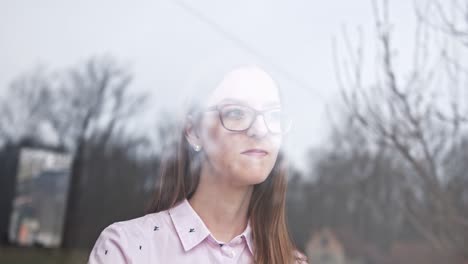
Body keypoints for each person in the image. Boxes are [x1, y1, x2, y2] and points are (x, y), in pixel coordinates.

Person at [87, 55, 307, 264]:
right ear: (193, 131)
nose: (260, 130)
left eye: (273, 115)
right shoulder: (127, 247)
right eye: (237, 113)